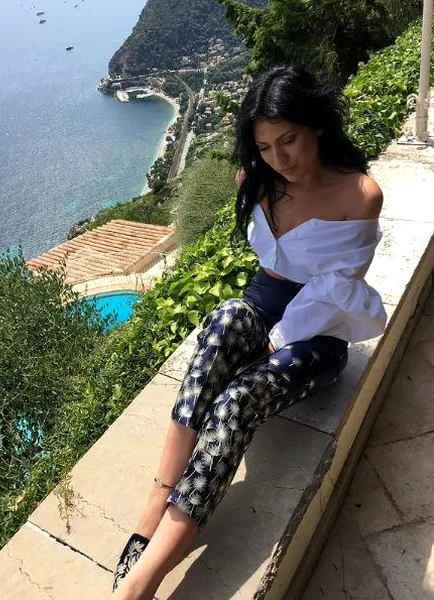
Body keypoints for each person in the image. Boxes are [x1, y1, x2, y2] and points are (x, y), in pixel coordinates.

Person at [110, 64, 387, 599]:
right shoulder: (256, 181)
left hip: (317, 333)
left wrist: (276, 341)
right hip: (264, 304)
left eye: (289, 139)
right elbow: (265, 276)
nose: (280, 159)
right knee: (223, 321)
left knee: (235, 402)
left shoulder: (358, 195)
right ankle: (155, 505)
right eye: (264, 147)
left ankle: (143, 580)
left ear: (316, 125)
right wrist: (258, 332)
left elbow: (335, 292)